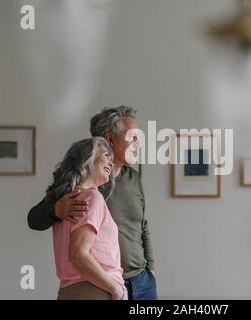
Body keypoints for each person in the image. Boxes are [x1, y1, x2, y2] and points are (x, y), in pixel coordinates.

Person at [28, 106, 157, 300]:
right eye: (133, 137)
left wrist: (151, 268)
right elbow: (33, 219)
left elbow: (142, 224)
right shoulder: (84, 183)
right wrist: (56, 209)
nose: (138, 143)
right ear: (110, 139)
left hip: (141, 280)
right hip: (101, 284)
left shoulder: (133, 178)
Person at [48, 137, 127, 300]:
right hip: (96, 290)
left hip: (70, 291)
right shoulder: (92, 197)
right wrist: (116, 289)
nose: (111, 164)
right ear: (87, 158)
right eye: (106, 155)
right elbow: (78, 254)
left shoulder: (64, 202)